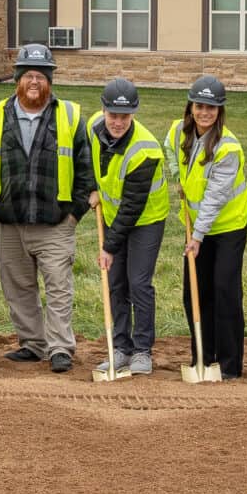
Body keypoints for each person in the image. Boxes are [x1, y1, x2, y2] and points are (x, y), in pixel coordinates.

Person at [0, 42, 89, 373]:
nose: (34, 82)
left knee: (58, 286)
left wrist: (73, 215)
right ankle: (33, 343)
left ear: (50, 81)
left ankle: (60, 347)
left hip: (54, 221)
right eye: (28, 75)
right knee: (17, 285)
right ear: (17, 79)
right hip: (8, 221)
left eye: (41, 76)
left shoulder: (69, 116)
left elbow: (86, 171)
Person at [166, 75, 247, 378]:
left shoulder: (229, 148)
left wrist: (198, 236)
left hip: (227, 228)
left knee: (225, 290)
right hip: (197, 230)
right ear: (190, 107)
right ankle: (202, 355)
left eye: (211, 108)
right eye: (200, 106)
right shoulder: (178, 131)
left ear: (219, 111)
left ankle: (229, 365)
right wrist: (178, 175)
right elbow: (169, 150)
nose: (205, 112)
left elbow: (215, 197)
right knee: (195, 293)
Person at [88, 78, 167, 375]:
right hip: (112, 215)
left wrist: (109, 247)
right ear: (104, 111)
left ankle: (142, 350)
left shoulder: (145, 149)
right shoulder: (94, 126)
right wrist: (91, 188)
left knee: (138, 282)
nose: (118, 122)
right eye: (113, 115)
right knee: (115, 282)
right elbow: (87, 160)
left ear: (133, 114)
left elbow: (132, 207)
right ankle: (121, 347)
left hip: (145, 219)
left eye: (124, 116)